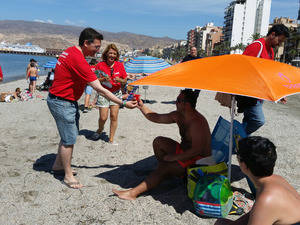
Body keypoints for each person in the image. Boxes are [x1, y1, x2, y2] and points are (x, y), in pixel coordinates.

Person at [47, 28, 137, 189]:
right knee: (69, 140)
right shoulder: (78, 59)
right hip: (62, 102)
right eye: (96, 47)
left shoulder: (70, 51)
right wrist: (123, 103)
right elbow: (100, 89)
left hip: (64, 100)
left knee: (68, 134)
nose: (98, 50)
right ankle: (67, 175)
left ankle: (58, 165)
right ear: (86, 43)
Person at [113, 89, 212, 200]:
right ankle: (162, 173)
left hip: (198, 161)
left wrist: (173, 157)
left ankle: (133, 194)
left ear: (187, 104)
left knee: (166, 166)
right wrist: (141, 107)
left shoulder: (197, 122)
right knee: (158, 142)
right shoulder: (178, 115)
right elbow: (156, 117)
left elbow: (196, 150)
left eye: (178, 100)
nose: (175, 102)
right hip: (186, 152)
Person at [215, 136, 300, 225]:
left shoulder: (267, 198)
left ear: (244, 165)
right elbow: (257, 212)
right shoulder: (276, 179)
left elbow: (263, 208)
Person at [238, 24, 290, 135]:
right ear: (273, 34)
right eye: (279, 41)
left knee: (248, 121)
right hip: (250, 94)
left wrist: (278, 93)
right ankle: (235, 138)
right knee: (258, 120)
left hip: (259, 95)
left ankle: (240, 144)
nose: (279, 44)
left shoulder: (270, 51)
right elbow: (243, 69)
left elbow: (267, 74)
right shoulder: (257, 46)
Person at [92, 44, 127, 144]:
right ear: (106, 53)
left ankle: (111, 139)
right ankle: (99, 130)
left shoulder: (120, 65)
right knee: (103, 117)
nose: (112, 55)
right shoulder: (100, 65)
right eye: (110, 53)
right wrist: (103, 79)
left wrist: (119, 79)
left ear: (116, 56)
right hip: (103, 94)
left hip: (116, 93)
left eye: (114, 54)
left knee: (114, 116)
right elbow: (94, 80)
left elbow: (125, 81)